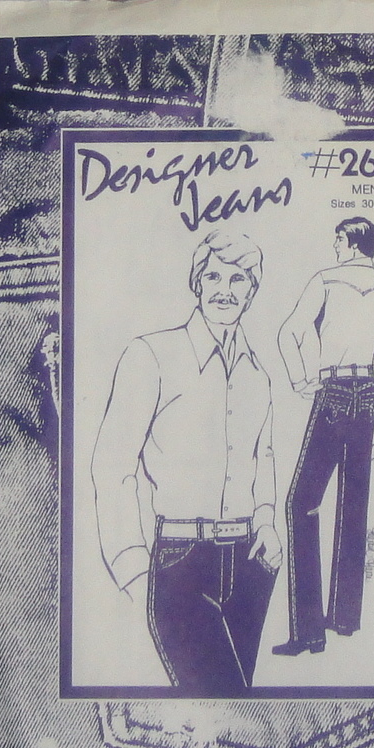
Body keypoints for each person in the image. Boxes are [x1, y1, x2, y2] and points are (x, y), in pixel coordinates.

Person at [90, 228, 282, 695]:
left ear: (252, 290)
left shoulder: (258, 373)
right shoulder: (151, 355)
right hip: (181, 562)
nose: (224, 290)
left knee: (236, 712)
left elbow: (263, 455)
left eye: (238, 279)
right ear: (196, 283)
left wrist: (266, 522)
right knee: (221, 698)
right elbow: (112, 463)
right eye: (213, 276)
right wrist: (132, 566)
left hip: (250, 564)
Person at [271, 218, 374, 658]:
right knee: (354, 504)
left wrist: (300, 379)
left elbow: (288, 331)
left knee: (301, 503)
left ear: (353, 244)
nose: (335, 246)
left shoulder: (326, 279)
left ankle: (309, 633)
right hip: (369, 396)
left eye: (338, 240)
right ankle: (344, 618)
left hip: (334, 391)